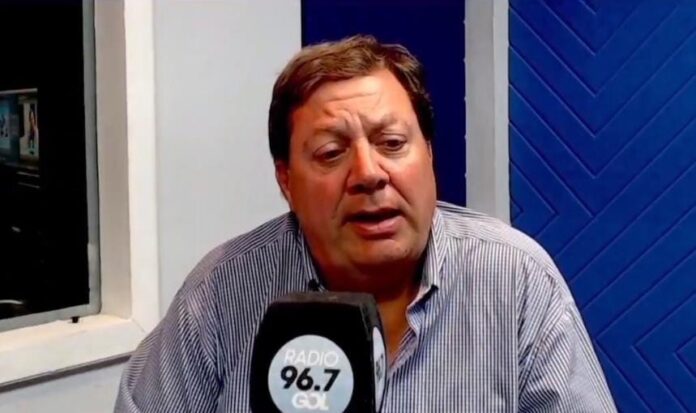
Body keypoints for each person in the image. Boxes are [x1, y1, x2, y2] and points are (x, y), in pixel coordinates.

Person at [115, 35, 616, 412]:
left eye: (392, 144)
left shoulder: (516, 278)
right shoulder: (222, 290)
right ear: (286, 181)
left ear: (429, 154)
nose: (369, 173)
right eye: (331, 153)